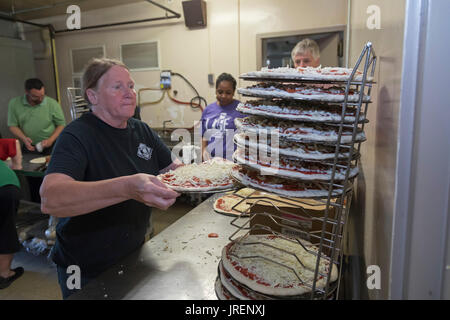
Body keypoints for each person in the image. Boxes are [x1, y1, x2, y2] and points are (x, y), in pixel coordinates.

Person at [39, 58, 181, 299]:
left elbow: (173, 169)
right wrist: (127, 187)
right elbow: (51, 198)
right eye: (118, 87)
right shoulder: (77, 136)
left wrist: (204, 173)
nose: (129, 94)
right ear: (92, 96)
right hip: (84, 267)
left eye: (131, 86)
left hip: (133, 253)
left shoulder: (141, 130)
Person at [7, 78, 66, 155]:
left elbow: (61, 124)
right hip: (29, 146)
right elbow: (12, 125)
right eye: (35, 96)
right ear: (26, 92)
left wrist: (51, 140)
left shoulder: (52, 103)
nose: (40, 99)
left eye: (42, 95)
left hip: (52, 145)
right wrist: (24, 139)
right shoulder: (14, 103)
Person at [201, 73, 244, 161]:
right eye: (220, 92)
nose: (223, 96)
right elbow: (204, 136)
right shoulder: (208, 110)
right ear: (215, 91)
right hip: (211, 161)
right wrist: (203, 153)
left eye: (228, 93)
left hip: (234, 161)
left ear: (233, 92)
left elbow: (247, 138)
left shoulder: (242, 110)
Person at [0, 159, 24, 289]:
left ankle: (4, 274)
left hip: (5, 188)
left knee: (5, 228)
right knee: (5, 229)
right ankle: (4, 273)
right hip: (7, 187)